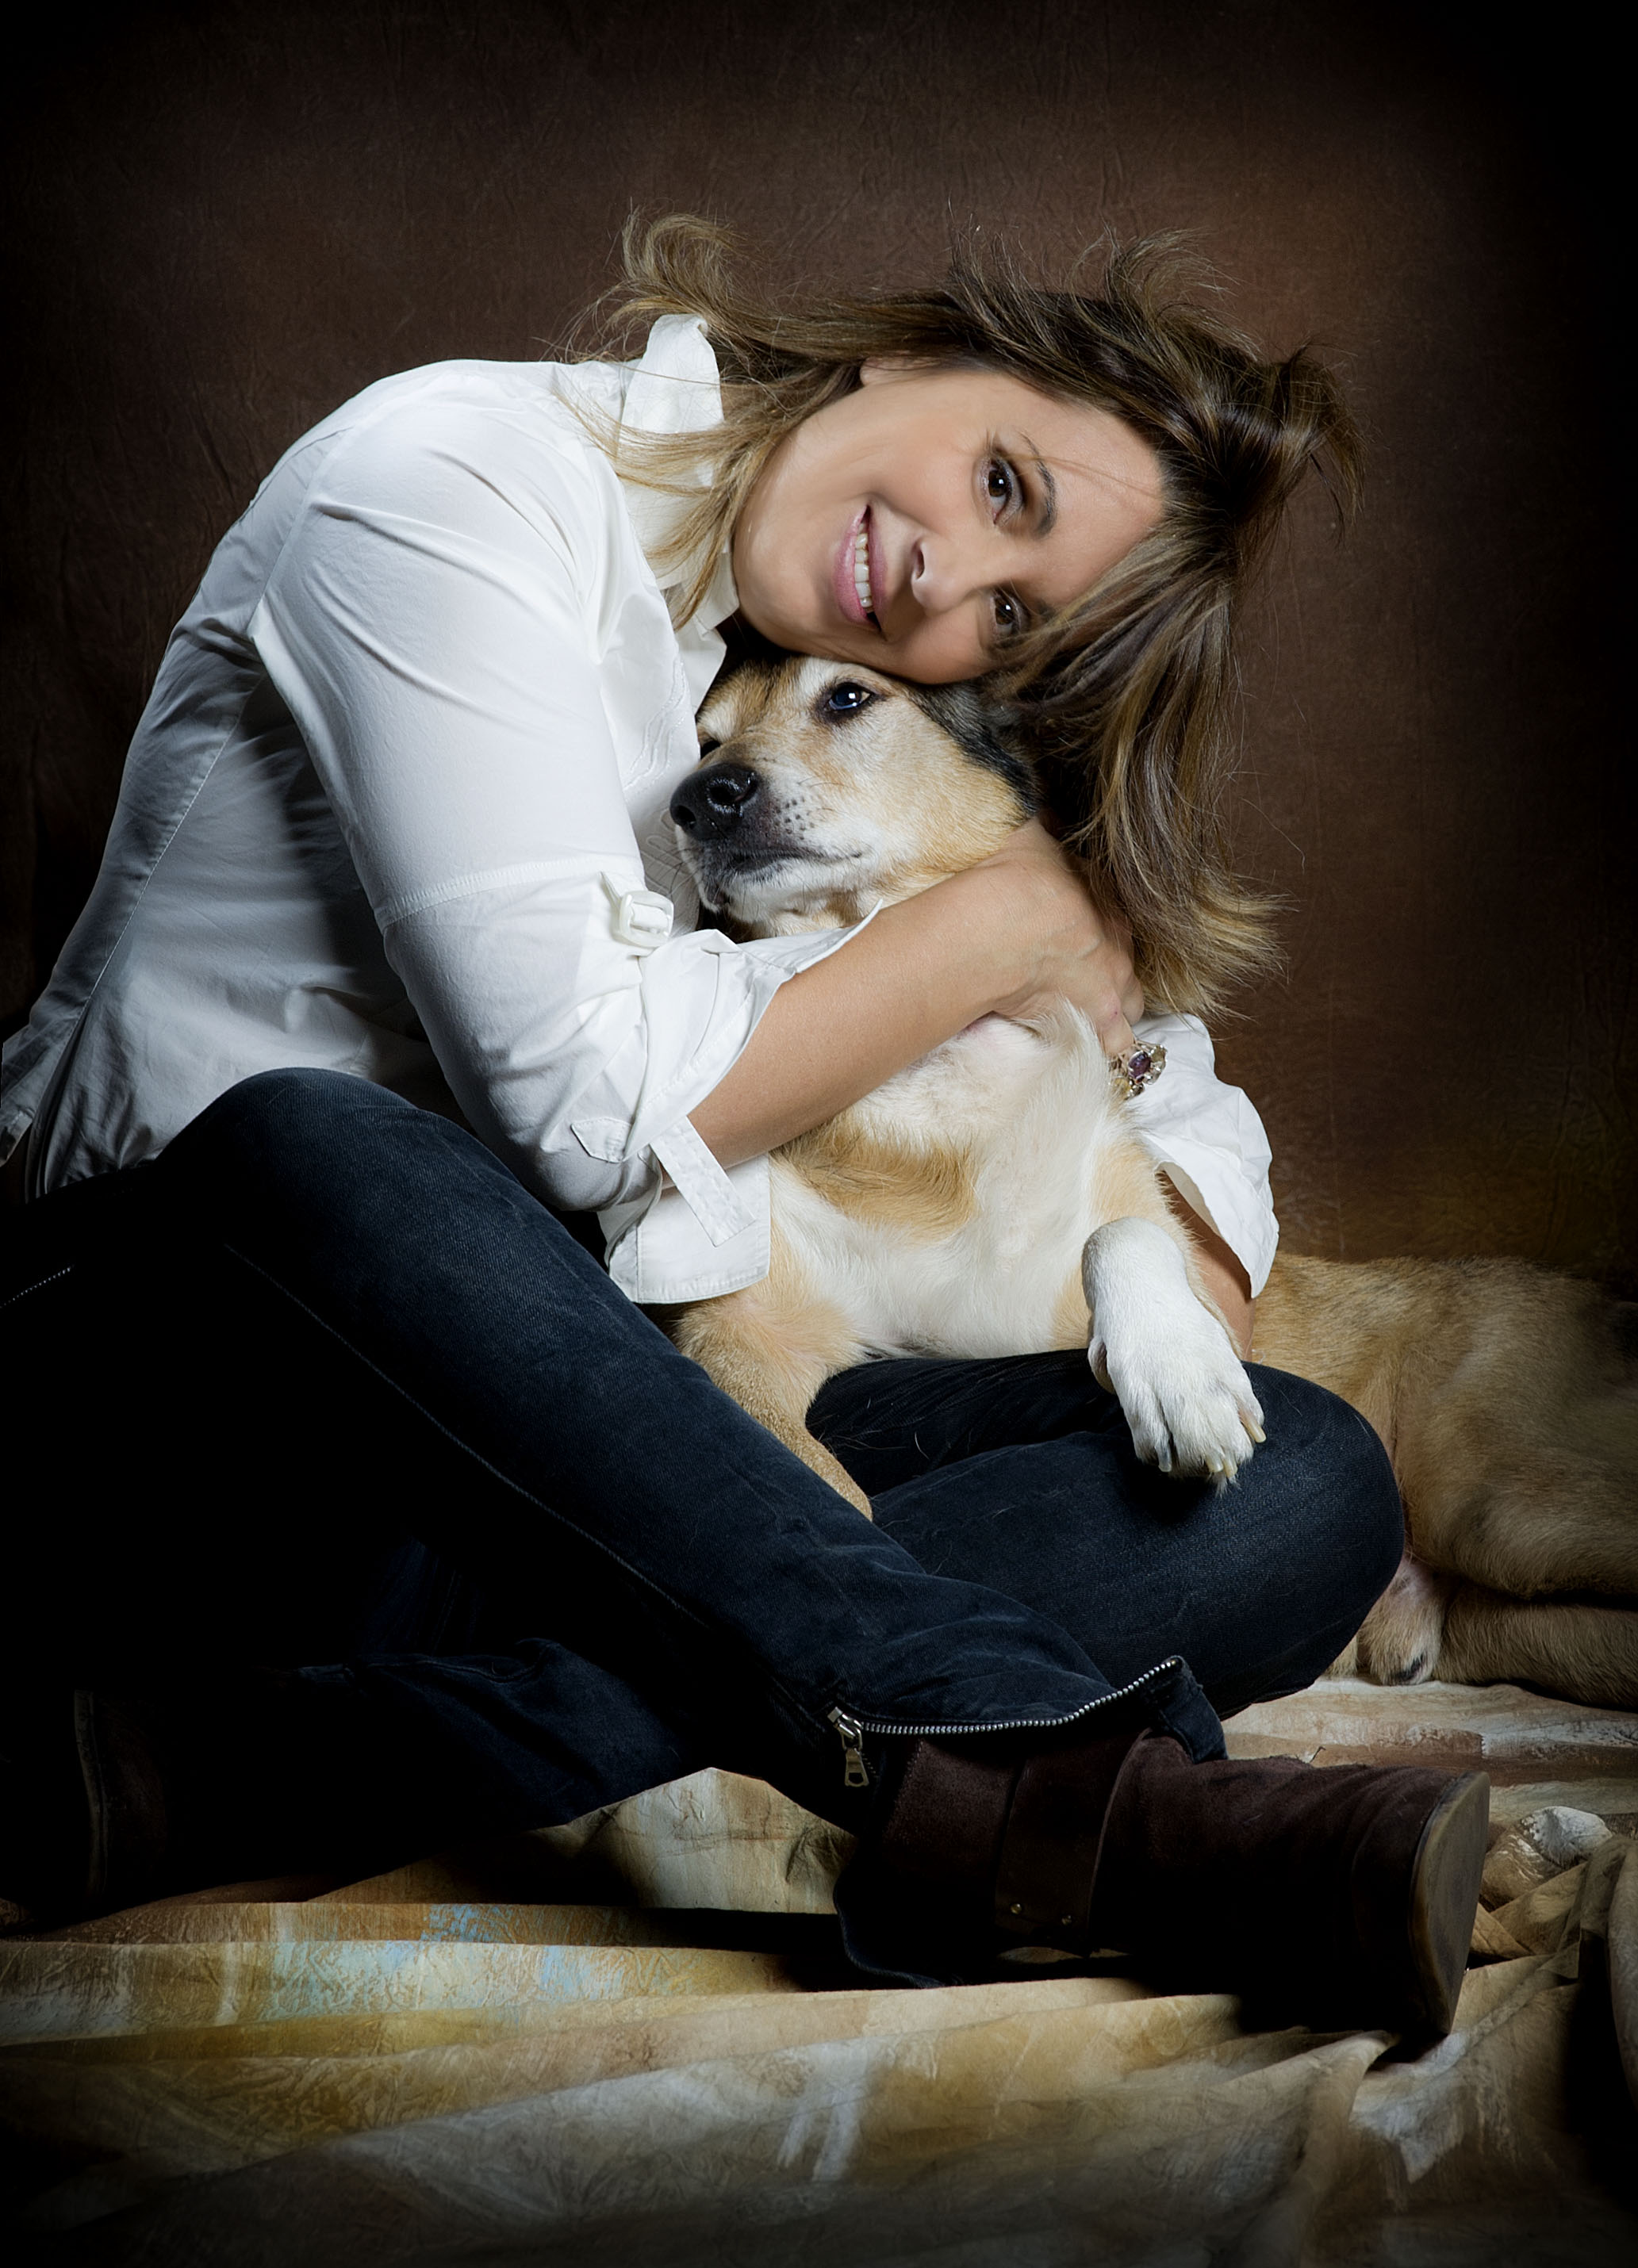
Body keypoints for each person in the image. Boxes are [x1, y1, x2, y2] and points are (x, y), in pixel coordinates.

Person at [1, 219, 1484, 2032]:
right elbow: (579, 1106)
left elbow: (1138, 1061)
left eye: (1012, 618)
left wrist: (1150, 1225)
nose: (944, 579)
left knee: (1299, 1482)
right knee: (313, 1141)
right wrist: (1002, 926)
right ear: (913, 352)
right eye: (999, 481)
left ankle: (234, 1769)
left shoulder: (776, 686)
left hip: (536, 1471)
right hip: (181, 1400)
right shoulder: (455, 484)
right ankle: (1102, 1808)